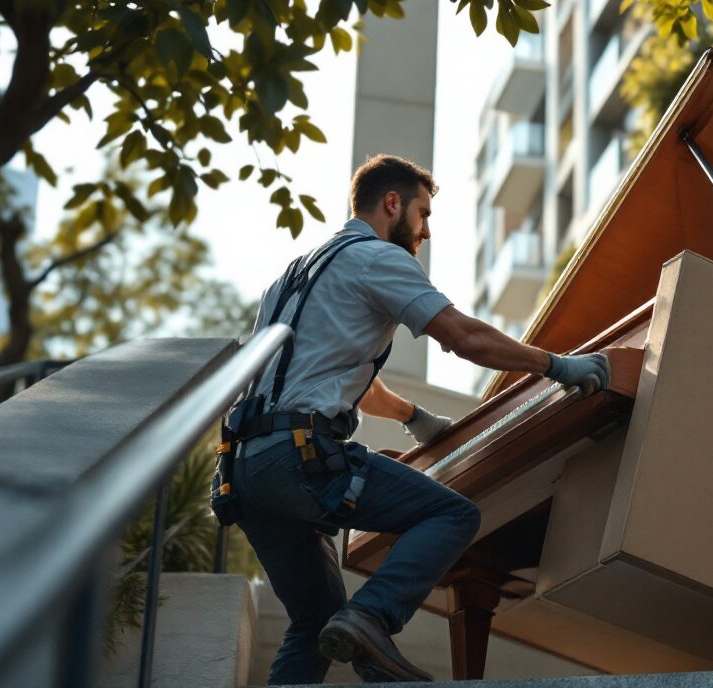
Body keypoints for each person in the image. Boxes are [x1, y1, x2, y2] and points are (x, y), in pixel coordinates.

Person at [230, 154, 610, 685]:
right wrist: (556, 365)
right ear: (392, 204)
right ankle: (372, 617)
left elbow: (335, 380)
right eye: (423, 213)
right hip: (300, 459)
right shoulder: (376, 259)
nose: (425, 230)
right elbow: (463, 337)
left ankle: (361, 629)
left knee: (313, 622)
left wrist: (414, 417)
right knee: (452, 516)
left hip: (247, 473)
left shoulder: (293, 276)